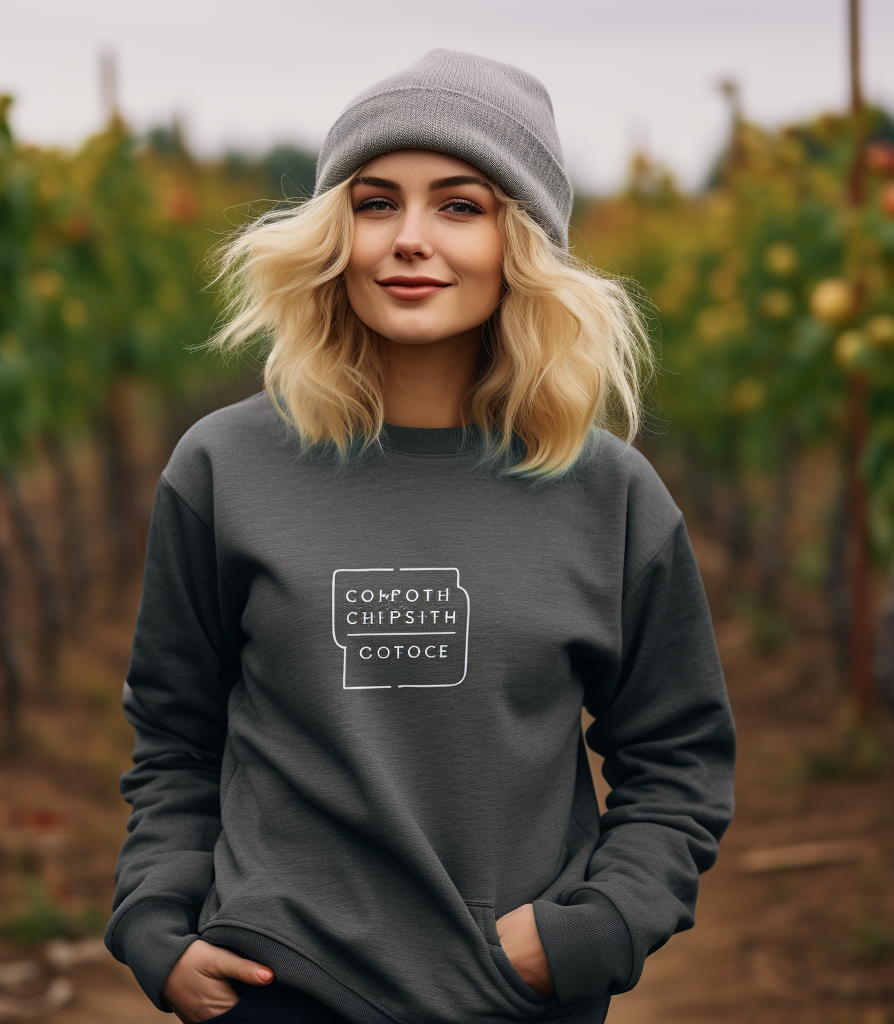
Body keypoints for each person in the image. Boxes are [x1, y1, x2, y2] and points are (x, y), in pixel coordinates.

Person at [104, 49, 736, 1024]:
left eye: (457, 205)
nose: (408, 239)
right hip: (280, 987)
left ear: (518, 240)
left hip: (515, 999)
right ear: (334, 233)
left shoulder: (609, 493)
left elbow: (679, 756)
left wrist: (596, 927)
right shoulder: (224, 468)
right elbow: (175, 732)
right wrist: (156, 922)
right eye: (373, 203)